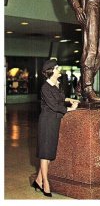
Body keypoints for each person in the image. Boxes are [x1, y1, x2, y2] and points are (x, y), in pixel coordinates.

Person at [31, 59, 79, 197]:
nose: (60, 69)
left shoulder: (57, 84)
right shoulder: (45, 87)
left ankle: (38, 180)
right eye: (57, 67)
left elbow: (59, 99)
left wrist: (69, 100)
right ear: (52, 71)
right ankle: (45, 183)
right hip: (47, 122)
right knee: (45, 154)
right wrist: (70, 109)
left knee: (49, 153)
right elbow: (54, 105)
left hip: (55, 121)